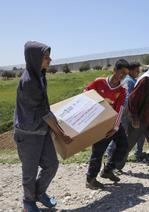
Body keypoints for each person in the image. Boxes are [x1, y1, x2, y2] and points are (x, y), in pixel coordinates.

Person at [14, 41, 72, 212]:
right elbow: (43, 113)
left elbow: (45, 109)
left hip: (41, 129)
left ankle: (39, 193)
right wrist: (61, 135)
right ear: (35, 59)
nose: (50, 60)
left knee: (52, 165)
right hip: (28, 133)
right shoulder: (29, 81)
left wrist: (59, 129)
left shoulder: (40, 75)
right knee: (30, 170)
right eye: (46, 58)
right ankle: (28, 202)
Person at [116, 61, 149, 172]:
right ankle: (114, 167)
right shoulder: (146, 81)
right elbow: (132, 99)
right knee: (128, 144)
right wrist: (135, 118)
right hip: (139, 119)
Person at [84, 59, 129, 189]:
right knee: (98, 151)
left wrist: (115, 128)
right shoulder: (99, 82)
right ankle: (90, 179)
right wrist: (100, 101)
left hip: (113, 122)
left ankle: (108, 170)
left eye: (125, 74)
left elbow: (120, 109)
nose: (123, 76)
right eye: (121, 72)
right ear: (114, 70)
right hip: (99, 122)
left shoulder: (121, 90)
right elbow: (85, 93)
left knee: (123, 145)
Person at [106, 62, 146, 162]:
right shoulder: (129, 81)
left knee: (133, 133)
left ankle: (137, 153)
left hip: (128, 112)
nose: (138, 73)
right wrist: (130, 114)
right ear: (131, 71)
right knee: (121, 134)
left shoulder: (132, 80)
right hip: (126, 113)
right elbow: (128, 98)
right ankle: (110, 153)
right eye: (137, 71)